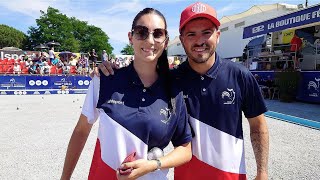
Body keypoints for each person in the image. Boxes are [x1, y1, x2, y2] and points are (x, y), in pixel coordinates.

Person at [96, 2, 269, 180]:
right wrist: (105, 70)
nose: (199, 40)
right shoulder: (172, 80)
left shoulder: (241, 75)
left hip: (232, 176)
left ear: (217, 35)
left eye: (206, 32)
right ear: (182, 39)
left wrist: (262, 173)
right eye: (191, 34)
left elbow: (258, 126)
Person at [60, 7, 192, 180]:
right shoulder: (105, 79)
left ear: (166, 41)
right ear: (131, 37)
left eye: (157, 33)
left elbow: (185, 148)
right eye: (141, 32)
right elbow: (81, 131)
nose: (150, 40)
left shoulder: (173, 92)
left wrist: (154, 164)